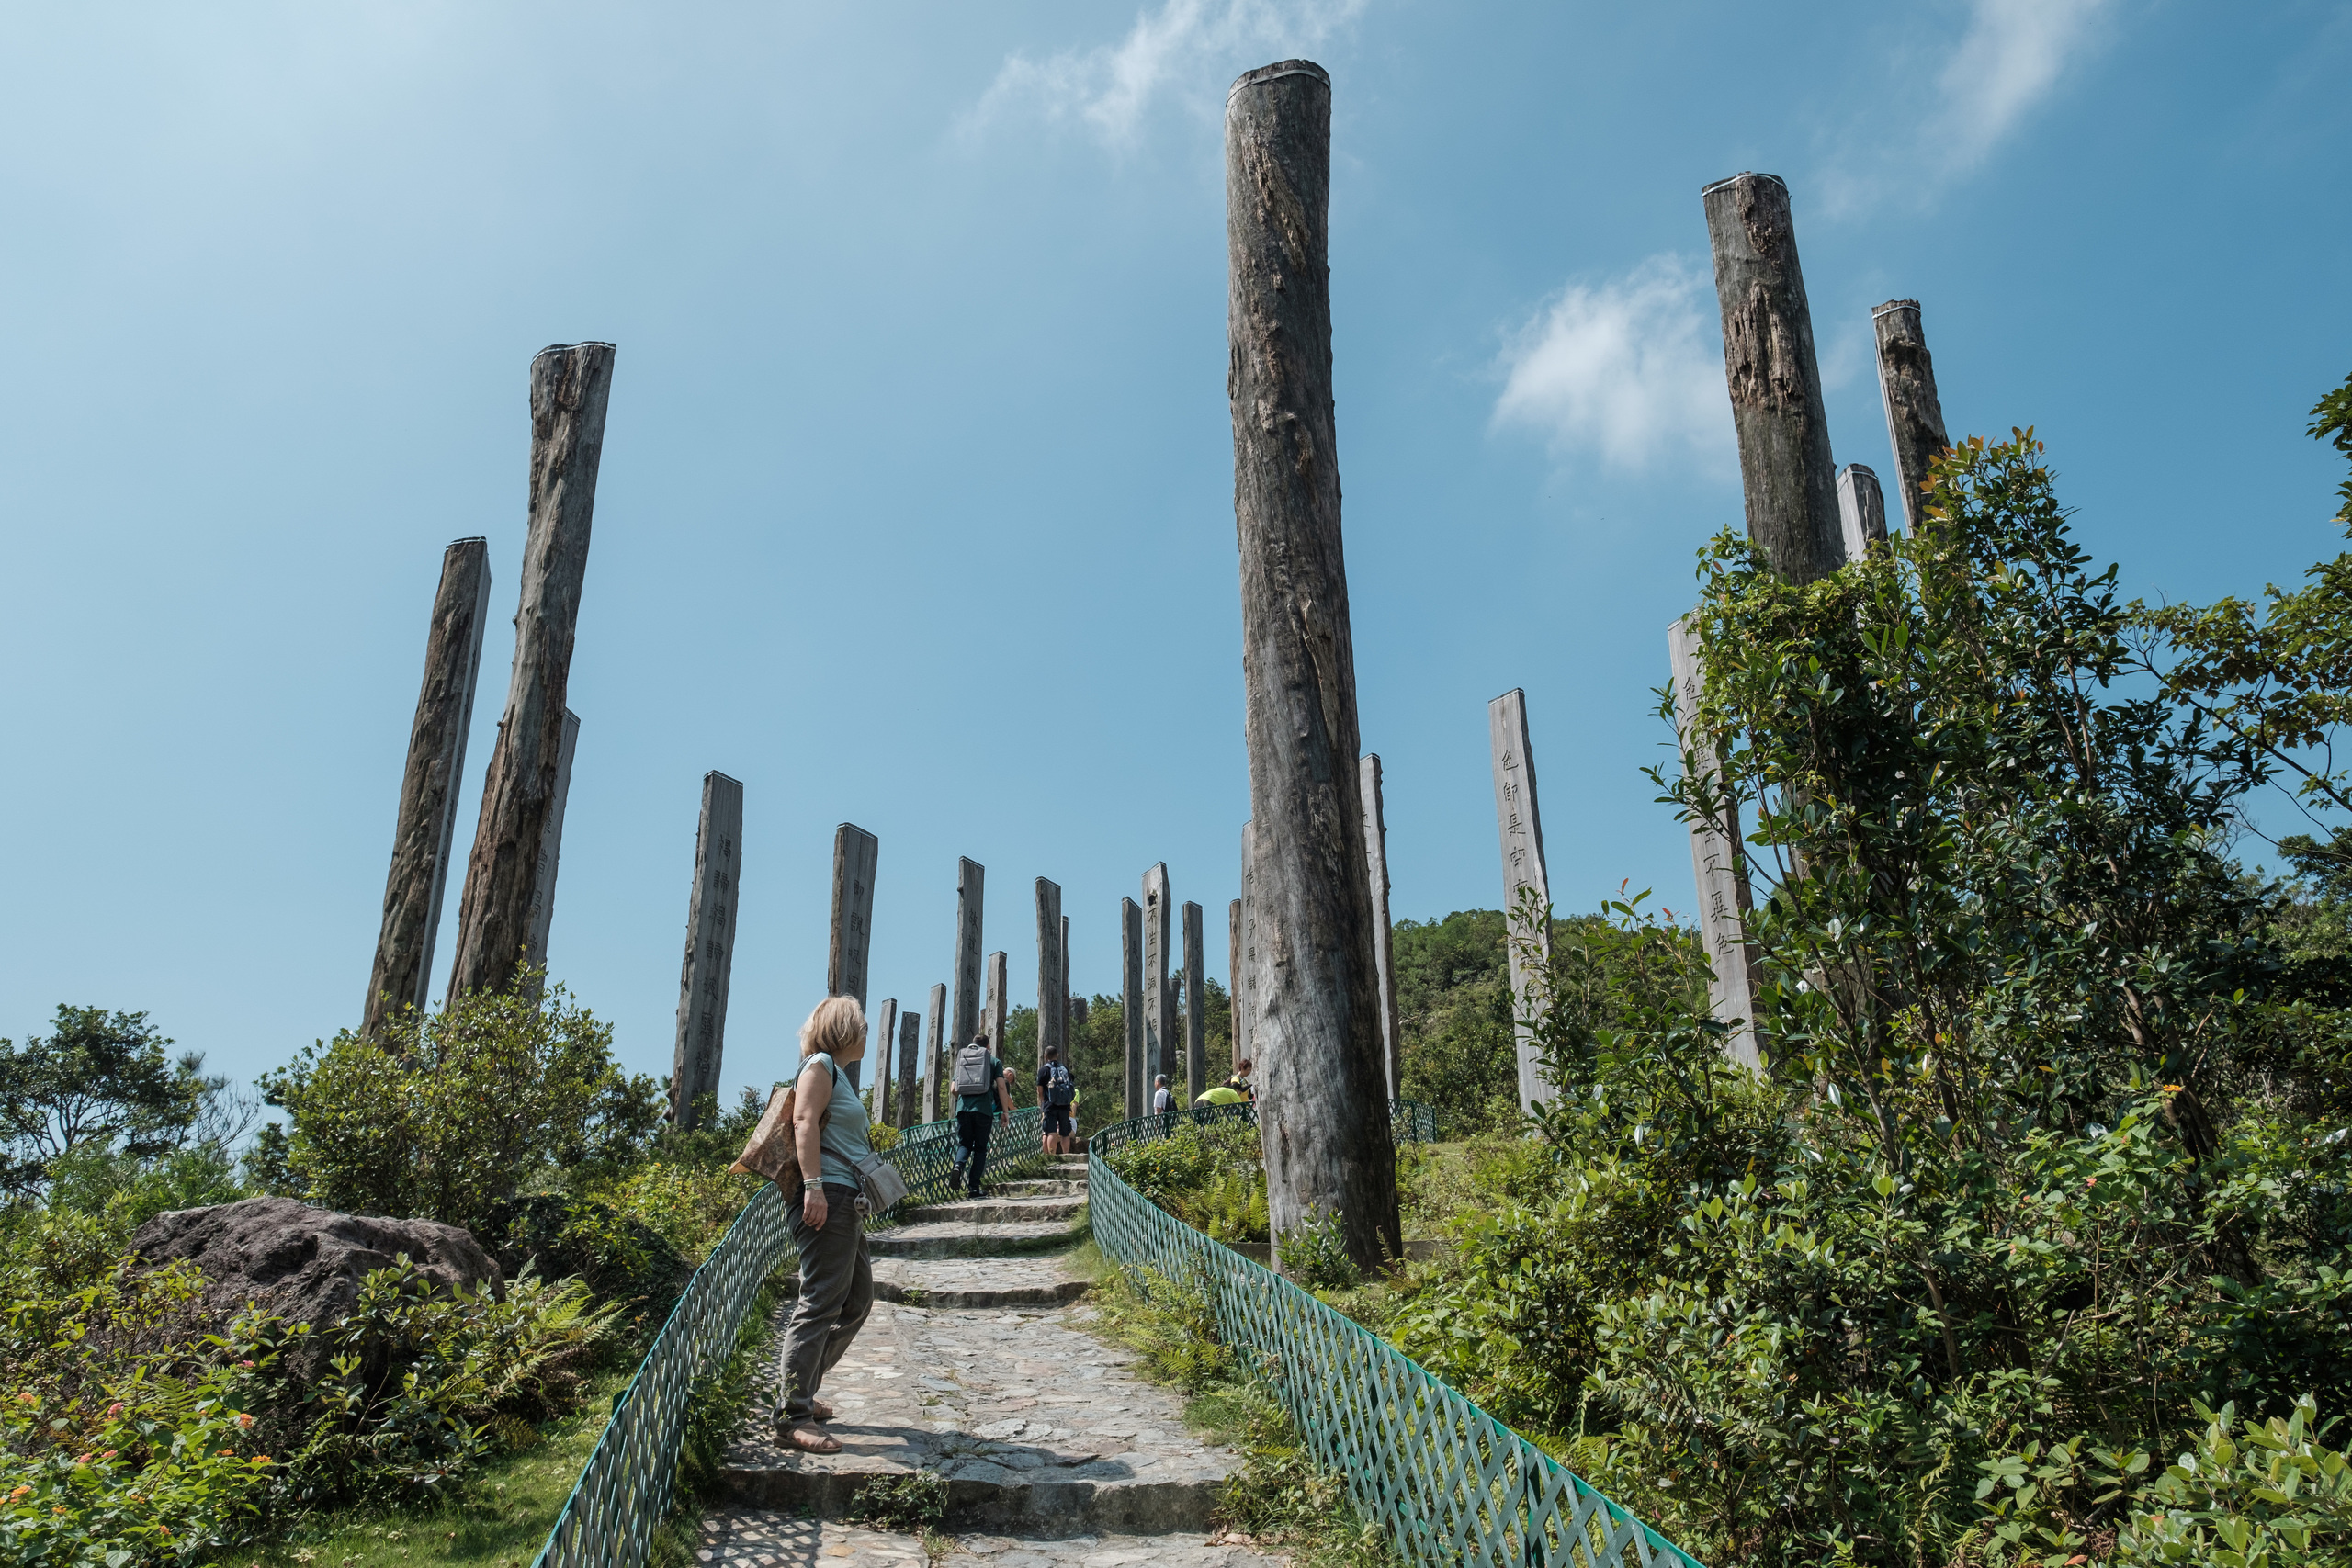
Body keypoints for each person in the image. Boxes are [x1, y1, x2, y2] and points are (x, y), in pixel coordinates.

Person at [776, 995, 876, 1456]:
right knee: (818, 1303)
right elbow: (803, 1121)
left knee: (857, 1301)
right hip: (826, 1198)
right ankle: (792, 1415)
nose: (866, 1029)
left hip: (844, 1200)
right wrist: (813, 1186)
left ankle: (803, 1387)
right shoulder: (819, 1065)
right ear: (842, 1029)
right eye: (859, 1022)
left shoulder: (840, 1076)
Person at [951, 1029, 1012, 1198]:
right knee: (980, 1149)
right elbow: (1001, 1086)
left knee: (964, 1144)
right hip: (984, 1110)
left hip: (963, 1109)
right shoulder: (993, 1061)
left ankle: (958, 1166)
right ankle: (974, 1188)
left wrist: (965, 1099)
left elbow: (953, 1089)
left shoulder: (962, 1061)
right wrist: (1005, 1112)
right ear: (987, 1046)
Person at [1036, 1043, 1077, 1155]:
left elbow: (1040, 1090)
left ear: (1045, 1056)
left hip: (1050, 1105)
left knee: (1051, 1132)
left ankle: (1052, 1156)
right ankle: (1066, 1155)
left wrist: (1043, 1103)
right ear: (1057, 1055)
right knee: (1065, 1132)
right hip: (1064, 1105)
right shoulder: (1064, 1069)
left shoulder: (1043, 1070)